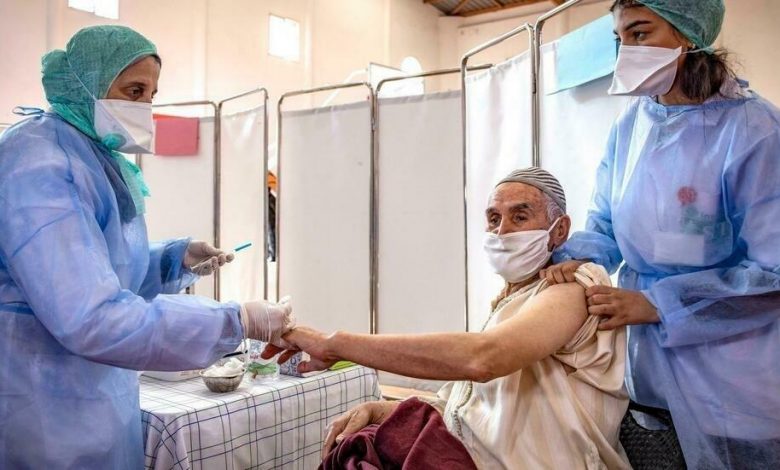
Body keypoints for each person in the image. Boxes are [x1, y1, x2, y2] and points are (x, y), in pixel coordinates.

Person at [0, 26, 293, 469]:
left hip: (89, 391)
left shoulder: (89, 153)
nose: (144, 109)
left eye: (151, 96)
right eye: (133, 91)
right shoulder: (38, 161)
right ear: (85, 84)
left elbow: (97, 264)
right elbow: (90, 315)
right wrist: (235, 320)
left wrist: (174, 259)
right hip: (37, 401)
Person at [541, 1, 780, 468]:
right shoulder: (632, 125)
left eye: (640, 33)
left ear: (688, 33)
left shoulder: (754, 130)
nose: (626, 51)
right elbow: (607, 225)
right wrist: (566, 259)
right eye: (620, 39)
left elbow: (773, 273)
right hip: (648, 371)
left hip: (734, 380)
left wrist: (658, 305)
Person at [267, 168, 631, 469]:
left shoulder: (575, 288)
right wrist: (382, 409)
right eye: (494, 219)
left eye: (520, 217)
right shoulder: (512, 299)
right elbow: (465, 407)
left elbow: (484, 358)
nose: (502, 231)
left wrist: (335, 345)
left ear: (560, 230)